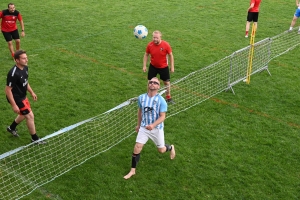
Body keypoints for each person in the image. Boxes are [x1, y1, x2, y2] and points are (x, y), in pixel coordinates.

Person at [124, 77, 176, 180]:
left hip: (157, 129)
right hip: (144, 128)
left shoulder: (161, 101)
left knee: (161, 150)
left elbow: (162, 116)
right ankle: (132, 170)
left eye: (155, 83)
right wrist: (138, 125)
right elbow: (140, 112)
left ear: (158, 87)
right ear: (148, 85)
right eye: (150, 82)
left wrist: (153, 125)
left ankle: (170, 147)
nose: (152, 84)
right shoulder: (141, 98)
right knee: (137, 147)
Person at [5, 50, 45, 144]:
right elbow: (7, 90)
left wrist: (32, 92)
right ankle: (34, 139)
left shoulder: (25, 68)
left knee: (24, 114)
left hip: (22, 96)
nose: (26, 60)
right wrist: (14, 105)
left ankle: (12, 128)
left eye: (26, 57)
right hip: (16, 98)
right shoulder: (13, 73)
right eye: (24, 58)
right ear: (17, 60)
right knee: (30, 116)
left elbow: (25, 82)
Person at [143, 30, 175, 103]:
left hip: (163, 67)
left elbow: (171, 55)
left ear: (160, 37)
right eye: (154, 37)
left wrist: (172, 66)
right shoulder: (150, 45)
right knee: (150, 82)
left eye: (156, 38)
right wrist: (144, 66)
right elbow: (146, 55)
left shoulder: (166, 45)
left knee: (166, 82)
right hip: (153, 66)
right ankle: (149, 97)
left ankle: (168, 97)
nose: (155, 39)